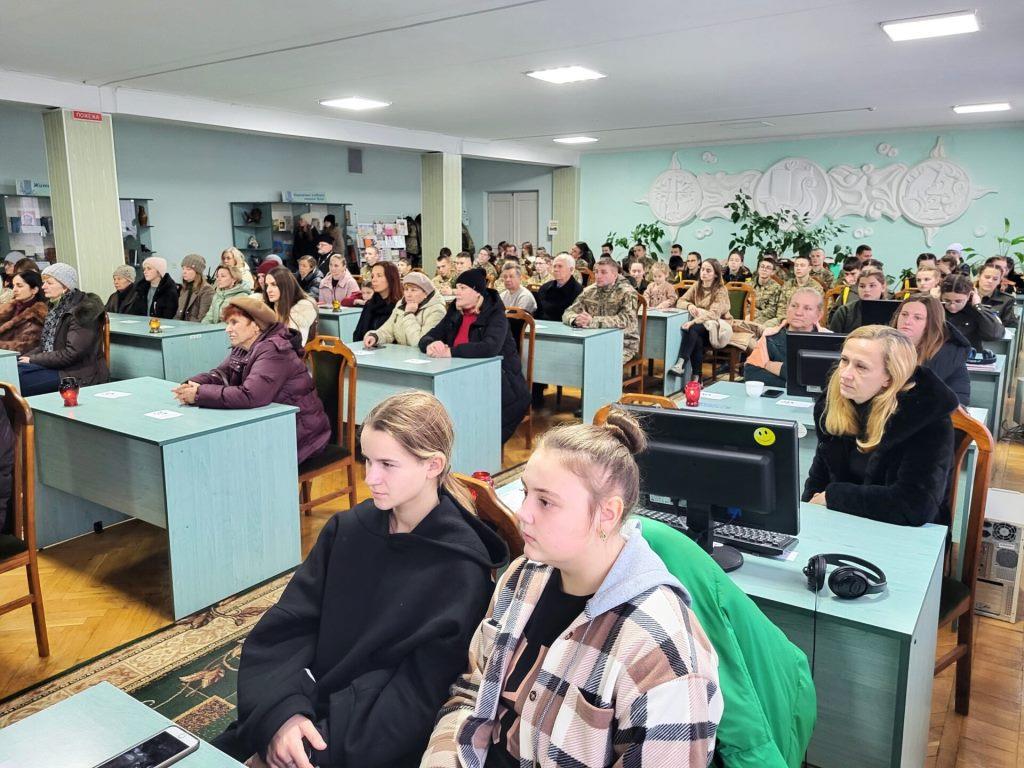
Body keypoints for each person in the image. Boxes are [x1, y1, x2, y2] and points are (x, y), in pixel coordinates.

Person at [211, 391, 506, 767]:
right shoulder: (348, 528)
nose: (370, 478)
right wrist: (282, 716)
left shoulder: (461, 570)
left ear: (433, 465)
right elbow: (289, 625)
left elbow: (415, 697)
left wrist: (312, 750)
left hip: (361, 743)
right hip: (300, 706)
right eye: (367, 459)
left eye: (387, 464)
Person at [421, 411, 723, 768]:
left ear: (608, 514)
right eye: (525, 493)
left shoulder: (660, 648)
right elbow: (473, 691)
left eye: (545, 501)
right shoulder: (522, 576)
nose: (522, 513)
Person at [803, 326, 958, 527]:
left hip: (905, 533)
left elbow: (915, 505)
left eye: (861, 367)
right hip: (842, 522)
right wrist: (806, 517)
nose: (845, 374)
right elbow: (818, 479)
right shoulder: (834, 404)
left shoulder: (926, 417)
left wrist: (832, 496)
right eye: (844, 360)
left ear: (890, 377)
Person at [174, 296, 330, 464]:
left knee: (229, 457)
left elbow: (251, 395)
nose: (227, 329)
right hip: (272, 425)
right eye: (228, 323)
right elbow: (221, 375)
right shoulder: (244, 346)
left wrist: (199, 394)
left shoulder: (274, 351)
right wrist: (193, 384)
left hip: (300, 435)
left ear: (256, 326)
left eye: (234, 323)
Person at [420, 268, 529, 443]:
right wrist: (430, 344)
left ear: (477, 292)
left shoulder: (496, 314)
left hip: (500, 384)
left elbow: (489, 348)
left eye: (463, 288)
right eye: (457, 287)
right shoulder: (455, 311)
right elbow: (428, 336)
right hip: (459, 379)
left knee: (472, 426)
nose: (457, 292)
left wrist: (450, 352)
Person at [17, 264, 109, 396]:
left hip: (79, 373)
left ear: (65, 286)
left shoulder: (83, 311)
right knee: (11, 371)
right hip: (58, 366)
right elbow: (45, 346)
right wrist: (24, 358)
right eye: (44, 282)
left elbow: (72, 354)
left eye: (49, 283)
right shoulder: (56, 307)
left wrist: (33, 359)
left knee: (16, 381)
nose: (43, 287)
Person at [892, 294, 971, 405]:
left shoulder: (950, 356)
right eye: (904, 314)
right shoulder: (883, 346)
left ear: (931, 323)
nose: (907, 321)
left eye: (917, 317)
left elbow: (958, 402)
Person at [744, 287, 830, 387]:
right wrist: (789, 384)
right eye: (794, 306)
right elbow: (751, 374)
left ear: (819, 315)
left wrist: (778, 368)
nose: (798, 313)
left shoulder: (828, 339)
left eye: (807, 308)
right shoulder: (770, 336)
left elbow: (827, 379)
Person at [563, 257, 639, 363]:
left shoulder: (627, 292)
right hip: (592, 339)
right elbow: (568, 312)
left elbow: (626, 319)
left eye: (603, 272)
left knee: (601, 361)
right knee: (568, 356)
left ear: (614, 275)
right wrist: (576, 319)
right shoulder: (589, 291)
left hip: (622, 343)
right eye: (596, 272)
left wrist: (592, 321)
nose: (598, 276)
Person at [669, 258, 730, 379]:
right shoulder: (697, 285)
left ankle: (682, 363)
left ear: (716, 274)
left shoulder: (721, 290)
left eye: (708, 271)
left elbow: (714, 314)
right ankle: (696, 377)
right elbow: (680, 301)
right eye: (702, 269)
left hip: (716, 327)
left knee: (693, 329)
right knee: (696, 336)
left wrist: (693, 322)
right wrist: (689, 305)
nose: (704, 273)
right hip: (699, 327)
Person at [364, 271, 446, 348]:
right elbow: (388, 330)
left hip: (424, 357)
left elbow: (419, 343)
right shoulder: (401, 304)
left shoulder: (437, 310)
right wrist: (375, 336)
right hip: (403, 355)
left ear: (426, 293)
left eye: (413, 290)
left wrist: (409, 314)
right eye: (406, 290)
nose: (408, 294)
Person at [941, 273, 1004, 350]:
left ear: (969, 296)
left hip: (969, 354)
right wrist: (933, 301)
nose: (952, 306)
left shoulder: (977, 312)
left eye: (958, 301)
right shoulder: (935, 309)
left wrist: (978, 307)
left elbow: (994, 335)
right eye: (947, 300)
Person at [264, 267, 319, 345]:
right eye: (267, 285)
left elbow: (297, 343)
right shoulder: (273, 305)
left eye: (274, 285)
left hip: (297, 351)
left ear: (285, 285)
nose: (268, 290)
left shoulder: (303, 306)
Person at [0, 271, 49, 354]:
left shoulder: (37, 316)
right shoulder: (8, 308)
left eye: (19, 286)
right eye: (13, 286)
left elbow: (24, 347)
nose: (14, 290)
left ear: (34, 290)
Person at [352, 261, 401, 342]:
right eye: (372, 276)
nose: (374, 280)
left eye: (379, 276)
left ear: (391, 278)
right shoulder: (369, 304)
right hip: (365, 347)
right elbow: (358, 334)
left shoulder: (399, 306)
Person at [769, 253, 823, 326]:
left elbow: (816, 311)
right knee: (766, 326)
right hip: (785, 320)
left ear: (809, 268)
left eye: (802, 266)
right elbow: (781, 307)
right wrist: (784, 320)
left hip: (806, 322)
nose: (798, 268)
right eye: (796, 265)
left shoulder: (816, 288)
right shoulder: (787, 285)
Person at [829, 268, 888, 333]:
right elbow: (834, 337)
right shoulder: (845, 311)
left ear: (883, 287)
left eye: (872, 286)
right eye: (862, 286)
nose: (866, 290)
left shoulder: (893, 311)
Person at [976, 262, 1018, 328]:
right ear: (979, 277)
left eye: (995, 279)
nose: (990, 281)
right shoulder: (967, 296)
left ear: (999, 281)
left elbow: (1010, 327)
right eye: (987, 277)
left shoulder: (1007, 300)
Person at [176, 254, 214, 322]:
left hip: (194, 327)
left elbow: (202, 318)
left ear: (197, 272)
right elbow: (178, 314)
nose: (184, 272)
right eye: (183, 268)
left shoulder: (207, 290)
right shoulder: (185, 288)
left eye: (188, 269)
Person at [752, 256, 784, 324]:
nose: (764, 269)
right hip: (748, 315)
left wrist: (754, 314)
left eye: (768, 268)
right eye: (762, 267)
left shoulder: (776, 288)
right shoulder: (749, 285)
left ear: (773, 272)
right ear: (758, 269)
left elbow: (772, 311)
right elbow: (745, 304)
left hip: (765, 319)